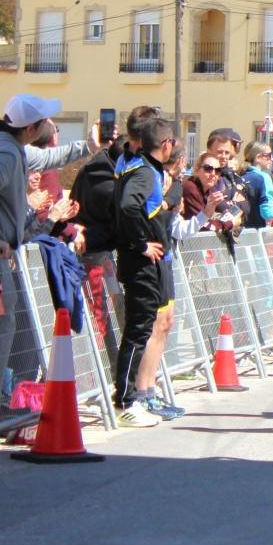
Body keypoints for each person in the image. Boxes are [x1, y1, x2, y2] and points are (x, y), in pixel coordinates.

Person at [0, 94, 75, 422]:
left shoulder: (6, 147)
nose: (50, 128)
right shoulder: (5, 153)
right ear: (32, 128)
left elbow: (54, 156)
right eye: (46, 123)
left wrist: (92, 145)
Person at [112, 117, 183, 425]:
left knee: (144, 327)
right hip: (140, 262)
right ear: (166, 144)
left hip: (148, 261)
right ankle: (126, 401)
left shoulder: (146, 169)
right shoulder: (144, 171)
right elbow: (128, 206)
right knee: (138, 329)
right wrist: (141, 243)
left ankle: (136, 397)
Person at [239, 141, 273, 229]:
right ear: (258, 157)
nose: (271, 159)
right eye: (269, 155)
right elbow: (267, 213)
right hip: (256, 231)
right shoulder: (264, 177)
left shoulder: (240, 175)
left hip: (240, 230)